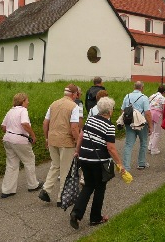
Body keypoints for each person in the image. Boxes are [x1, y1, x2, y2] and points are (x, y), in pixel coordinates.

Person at [69, 97, 125, 230]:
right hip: (98, 161)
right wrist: (120, 164)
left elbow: (81, 136)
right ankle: (95, 218)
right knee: (100, 188)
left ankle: (76, 213)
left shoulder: (90, 119)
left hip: (84, 158)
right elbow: (110, 148)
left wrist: (77, 152)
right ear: (110, 111)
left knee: (88, 186)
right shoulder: (109, 126)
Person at [39, 84, 80, 207]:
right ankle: (61, 197)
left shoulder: (53, 104)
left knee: (55, 165)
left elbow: (45, 123)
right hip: (66, 142)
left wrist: (47, 138)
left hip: (52, 139)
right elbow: (74, 127)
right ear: (74, 95)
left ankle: (46, 190)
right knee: (66, 169)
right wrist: (78, 142)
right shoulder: (74, 106)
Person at [0, 93, 43, 199]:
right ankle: (33, 185)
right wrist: (33, 135)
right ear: (23, 101)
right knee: (29, 160)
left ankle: (7, 190)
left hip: (7, 139)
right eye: (27, 100)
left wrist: (12, 131)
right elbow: (24, 124)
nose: (28, 102)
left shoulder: (11, 110)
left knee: (11, 164)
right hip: (20, 140)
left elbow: (3, 126)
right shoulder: (23, 110)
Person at [121, 81, 153, 170]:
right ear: (142, 88)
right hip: (141, 124)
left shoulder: (127, 96)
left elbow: (123, 111)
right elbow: (147, 113)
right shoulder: (144, 98)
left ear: (134, 87)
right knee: (143, 143)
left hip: (130, 123)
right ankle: (141, 163)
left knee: (128, 144)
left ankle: (126, 166)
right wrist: (150, 125)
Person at [148, 85, 165, 155]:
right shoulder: (163, 98)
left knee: (152, 131)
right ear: (164, 92)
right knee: (157, 132)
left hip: (150, 113)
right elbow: (164, 109)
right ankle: (154, 149)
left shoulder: (152, 96)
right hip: (157, 114)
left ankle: (150, 146)